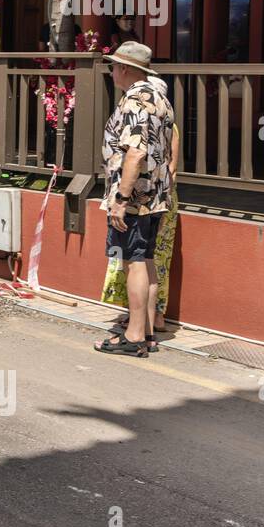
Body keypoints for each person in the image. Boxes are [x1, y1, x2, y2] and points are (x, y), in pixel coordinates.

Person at [93, 41, 174, 358]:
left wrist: (120, 198)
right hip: (156, 195)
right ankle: (148, 330)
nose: (112, 70)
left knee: (134, 262)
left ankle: (135, 335)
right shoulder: (160, 99)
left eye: (114, 65)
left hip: (136, 197)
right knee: (147, 260)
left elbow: (136, 152)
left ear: (125, 68)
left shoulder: (134, 102)